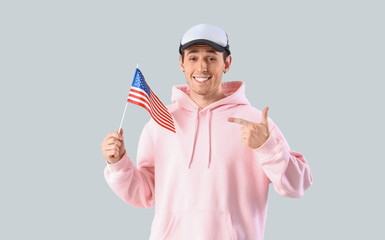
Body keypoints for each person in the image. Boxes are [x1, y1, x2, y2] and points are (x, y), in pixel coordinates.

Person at [101, 23, 313, 240]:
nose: (202, 67)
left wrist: (267, 147)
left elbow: (298, 185)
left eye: (211, 58)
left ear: (226, 63)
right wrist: (118, 163)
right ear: (182, 64)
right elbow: (143, 195)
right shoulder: (160, 122)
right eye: (193, 58)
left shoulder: (255, 122)